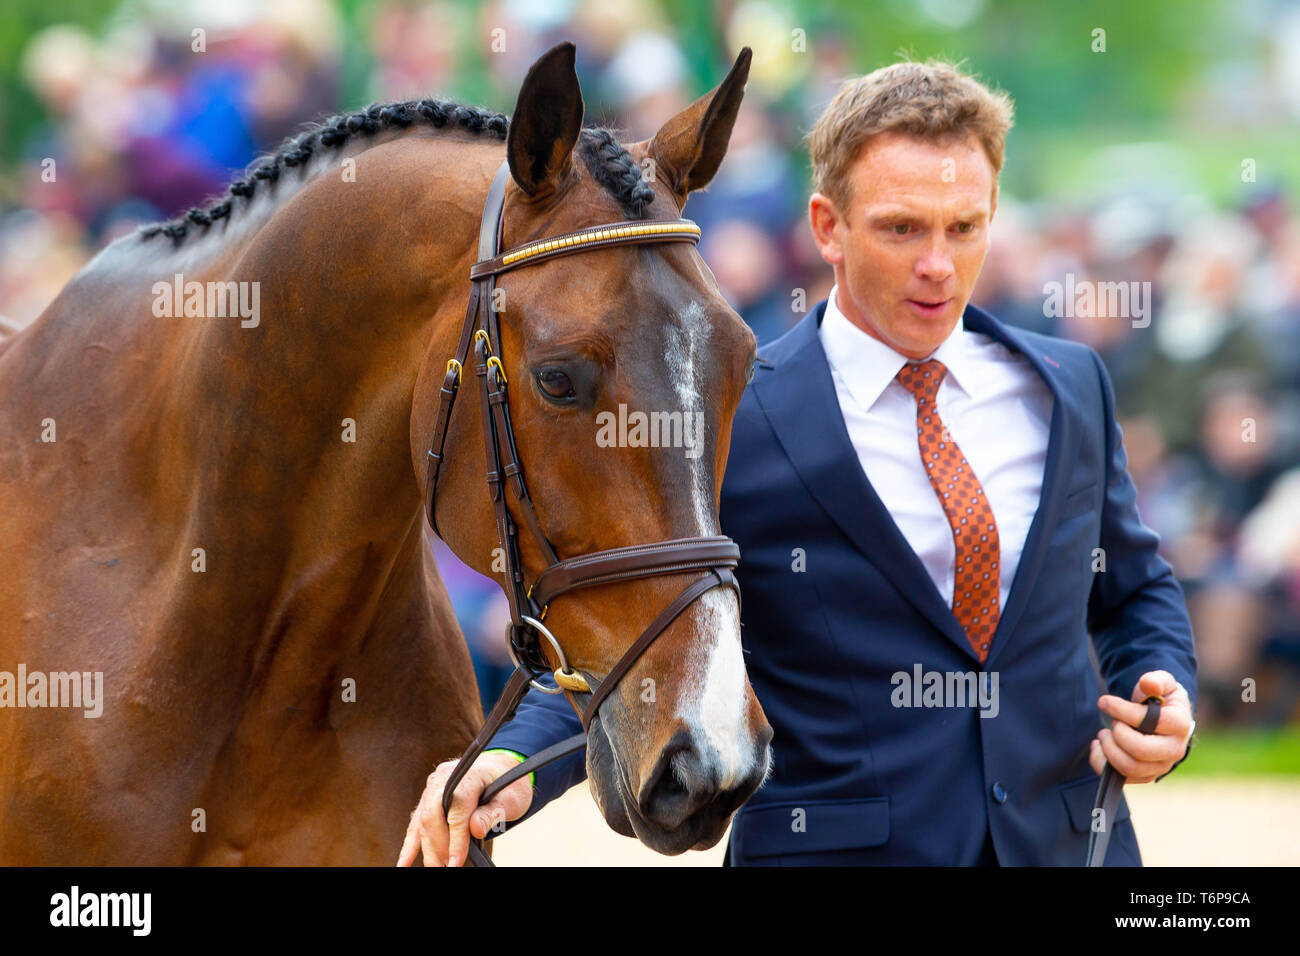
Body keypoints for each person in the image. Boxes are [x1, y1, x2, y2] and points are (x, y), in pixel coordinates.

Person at [398, 59, 1197, 867]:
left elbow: (1134, 586)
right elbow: (648, 613)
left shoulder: (1069, 386)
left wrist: (1160, 686)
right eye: (901, 228)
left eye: (966, 227)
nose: (939, 264)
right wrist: (511, 762)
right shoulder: (735, 414)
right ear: (827, 228)